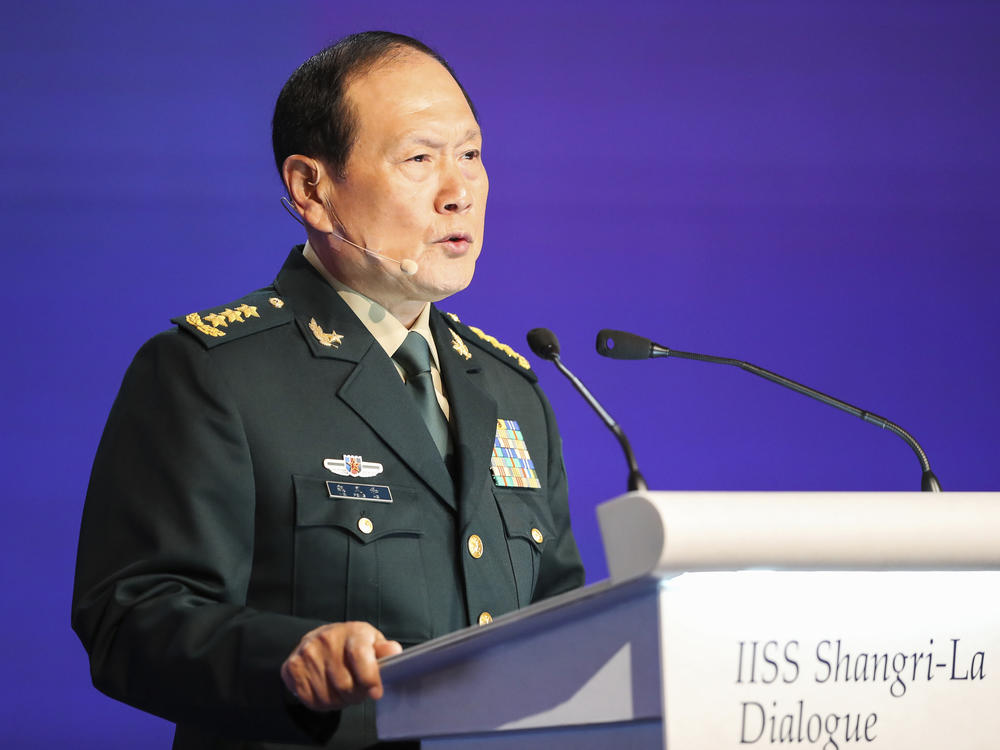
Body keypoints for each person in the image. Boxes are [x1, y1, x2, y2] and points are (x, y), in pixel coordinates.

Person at [72, 30, 584, 750]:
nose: (458, 191)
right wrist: (286, 658)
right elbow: (130, 617)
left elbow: (562, 623)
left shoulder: (510, 389)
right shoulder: (213, 374)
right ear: (311, 189)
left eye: (470, 155)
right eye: (419, 159)